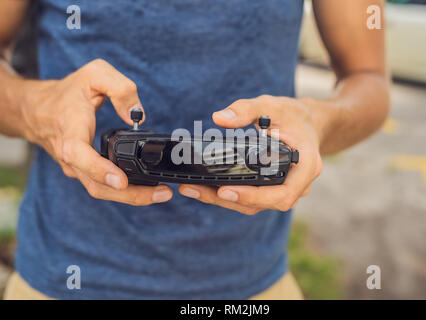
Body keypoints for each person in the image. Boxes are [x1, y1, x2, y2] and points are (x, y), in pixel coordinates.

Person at [0, 0, 389, 299]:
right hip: (61, 282)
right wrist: (38, 108)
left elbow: (368, 79)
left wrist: (318, 121)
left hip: (253, 287)